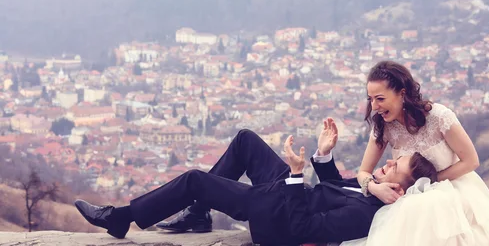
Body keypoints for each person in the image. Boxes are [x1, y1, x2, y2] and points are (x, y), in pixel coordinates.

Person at [74, 127, 437, 245]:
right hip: (289, 194)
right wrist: (323, 156)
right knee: (247, 140)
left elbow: (302, 229)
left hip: (273, 217)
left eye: (394, 167)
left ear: (400, 192)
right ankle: (199, 214)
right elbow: (332, 191)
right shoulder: (371, 193)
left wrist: (295, 176)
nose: (386, 162)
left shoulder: (365, 217)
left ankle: (122, 218)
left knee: (194, 179)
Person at [342, 60, 489, 246]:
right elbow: (363, 172)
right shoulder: (384, 126)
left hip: (454, 192)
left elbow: (471, 161)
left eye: (380, 99)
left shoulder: (439, 117)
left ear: (402, 94)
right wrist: (375, 188)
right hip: (410, 202)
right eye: (371, 99)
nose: (374, 106)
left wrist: (429, 183)